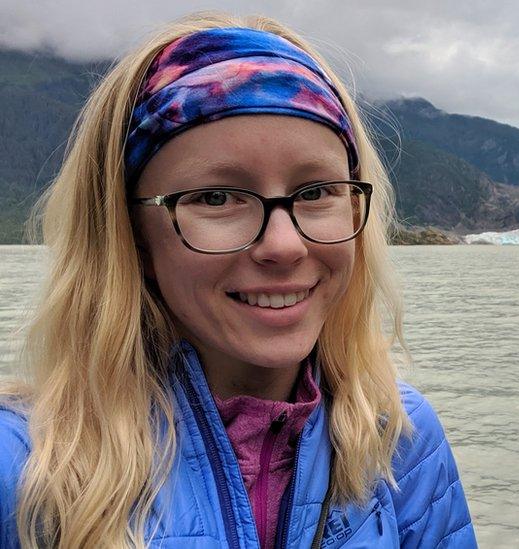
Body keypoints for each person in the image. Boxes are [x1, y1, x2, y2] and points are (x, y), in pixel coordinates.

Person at [0, 11, 477, 549]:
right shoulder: (24, 470)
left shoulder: (399, 438)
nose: (284, 245)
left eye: (317, 191)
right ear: (130, 236)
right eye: (216, 198)